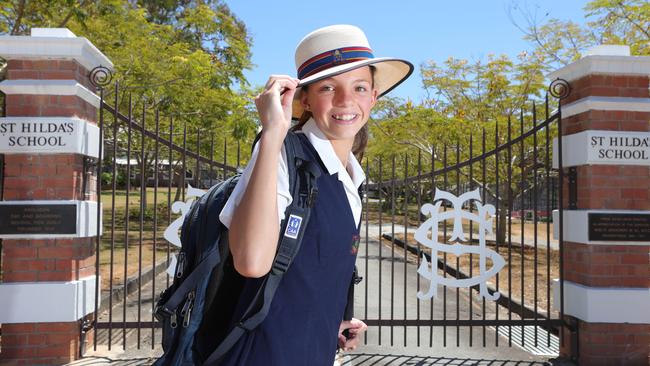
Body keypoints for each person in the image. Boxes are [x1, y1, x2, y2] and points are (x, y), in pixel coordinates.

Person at [218, 24, 413, 365]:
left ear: (373, 97)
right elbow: (251, 262)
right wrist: (272, 133)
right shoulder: (280, 153)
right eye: (327, 87)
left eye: (359, 87)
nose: (345, 101)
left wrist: (330, 321)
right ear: (304, 98)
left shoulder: (351, 176)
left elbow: (308, 274)